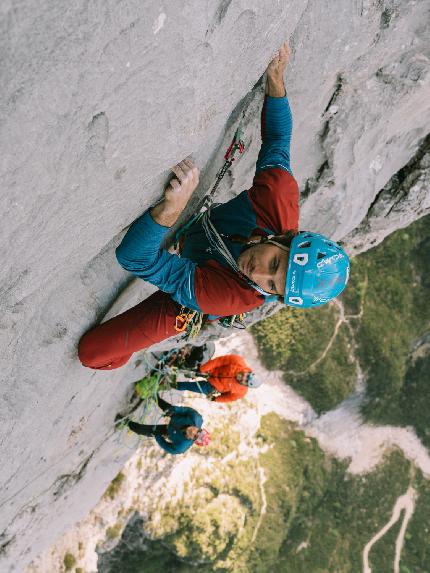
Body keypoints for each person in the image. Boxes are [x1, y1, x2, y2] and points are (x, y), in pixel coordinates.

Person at [78, 42, 350, 371]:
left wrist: (171, 210)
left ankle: (122, 356)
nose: (260, 273)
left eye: (273, 285)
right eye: (275, 263)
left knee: (93, 353)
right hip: (203, 247)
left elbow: (133, 258)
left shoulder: (230, 296)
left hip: (195, 290)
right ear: (286, 238)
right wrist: (276, 78)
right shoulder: (277, 199)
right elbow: (277, 142)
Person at [125, 395, 210, 455]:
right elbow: (186, 410)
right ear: (200, 428)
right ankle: (154, 396)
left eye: (195, 436)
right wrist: (175, 410)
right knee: (167, 408)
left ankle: (126, 422)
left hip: (169, 432)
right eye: (198, 431)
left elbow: (168, 448)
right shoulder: (196, 418)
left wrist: (159, 438)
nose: (193, 431)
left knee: (141, 430)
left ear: (192, 440)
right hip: (177, 417)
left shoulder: (181, 446)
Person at [176, 354, 261, 403]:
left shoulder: (241, 392)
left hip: (213, 387)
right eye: (247, 376)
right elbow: (219, 361)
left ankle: (173, 385)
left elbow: (228, 398)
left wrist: (215, 399)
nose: (244, 378)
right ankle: (177, 365)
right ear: (249, 372)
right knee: (190, 369)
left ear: (246, 385)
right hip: (211, 370)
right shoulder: (238, 361)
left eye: (246, 381)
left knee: (188, 386)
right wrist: (203, 369)